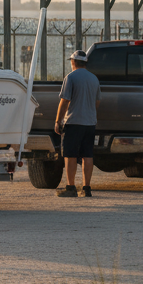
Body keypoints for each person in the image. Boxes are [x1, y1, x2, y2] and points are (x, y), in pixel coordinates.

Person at [53, 49, 102, 197]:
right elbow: (97, 102)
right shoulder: (94, 79)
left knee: (70, 154)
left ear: (73, 62)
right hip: (90, 122)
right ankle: (86, 188)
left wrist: (58, 121)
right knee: (88, 155)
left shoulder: (71, 77)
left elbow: (65, 101)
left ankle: (71, 187)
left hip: (74, 122)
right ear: (85, 62)